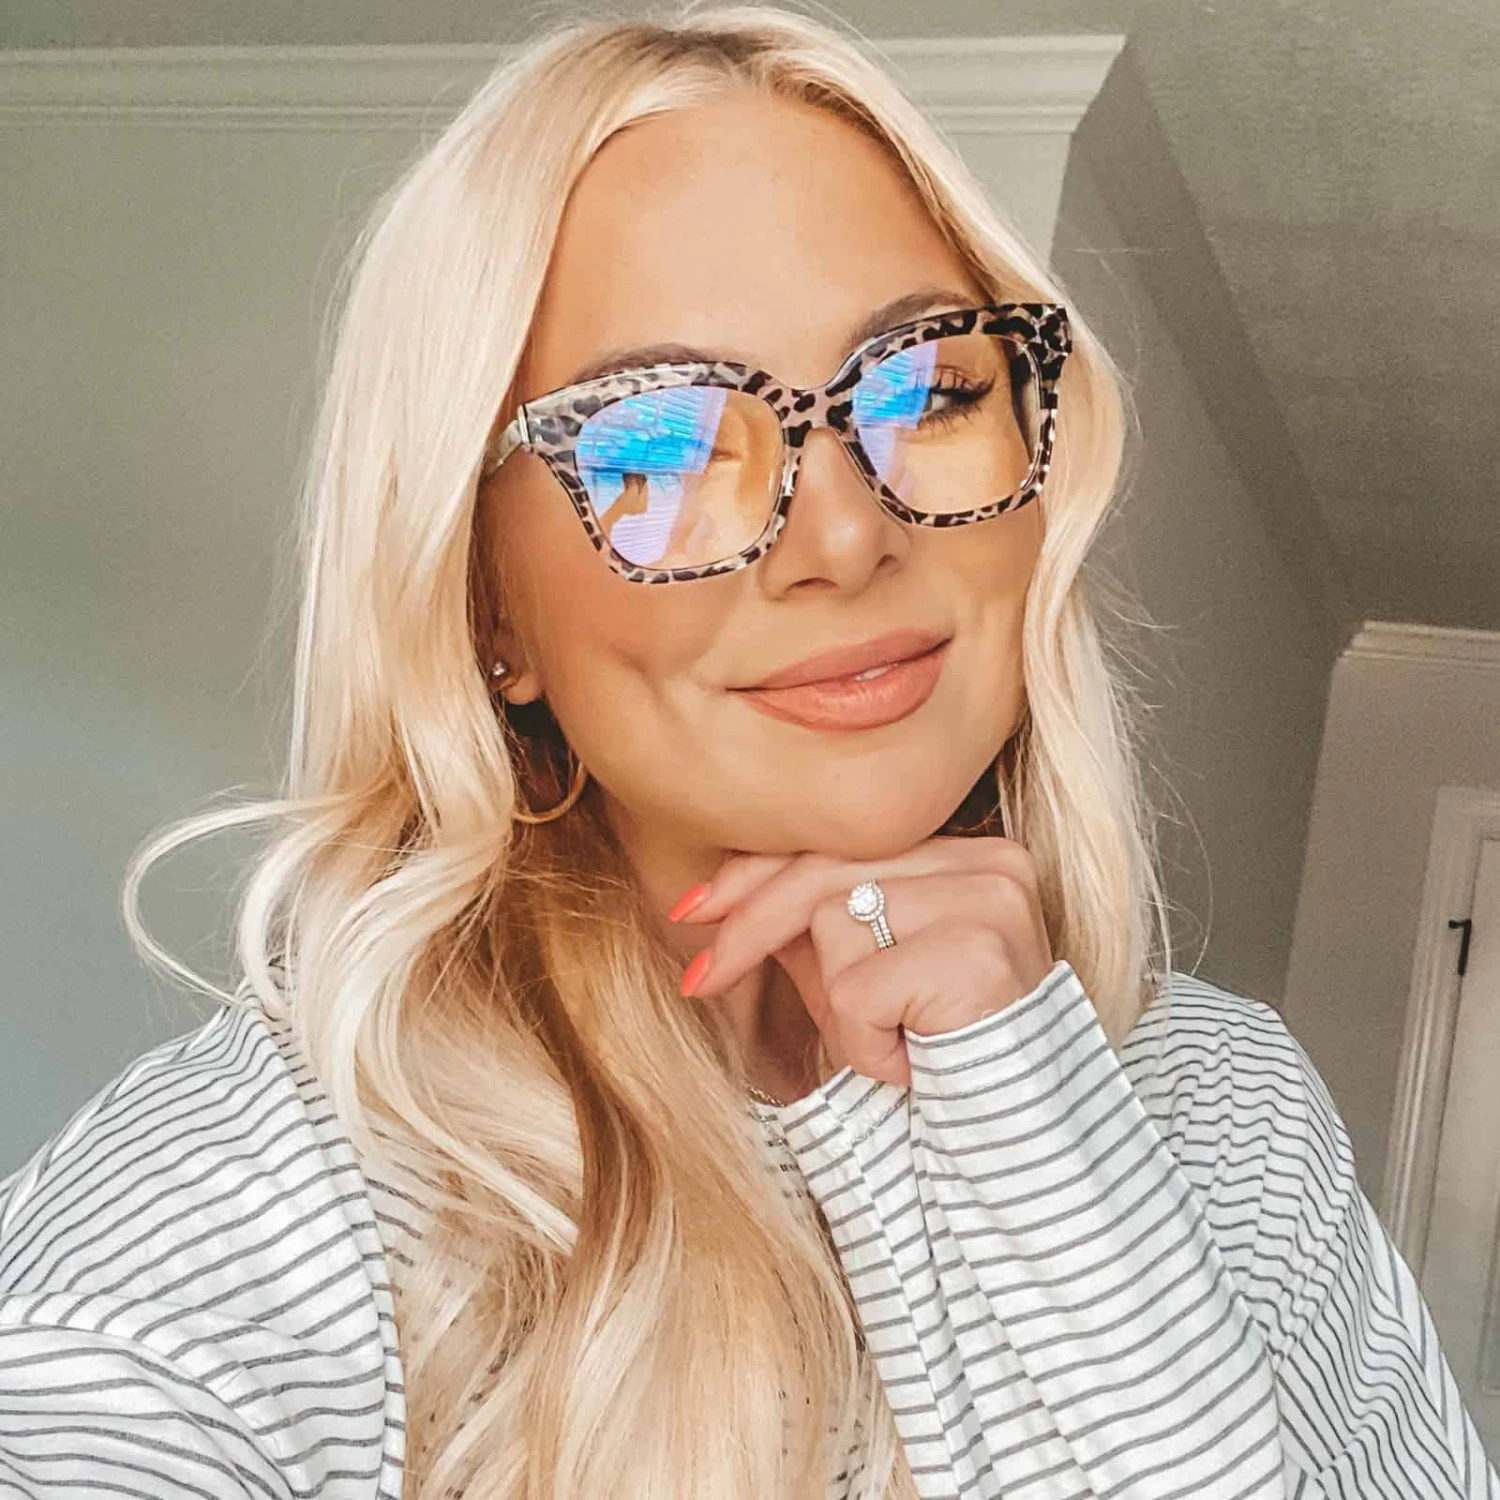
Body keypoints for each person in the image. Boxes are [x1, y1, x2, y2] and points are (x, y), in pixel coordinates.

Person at [1, 6, 1494, 1498]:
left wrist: (1046, 1153)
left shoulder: (1221, 1101)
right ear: (484, 604)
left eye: (929, 391)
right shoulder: (263, 1199)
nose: (847, 535)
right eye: (658, 446)